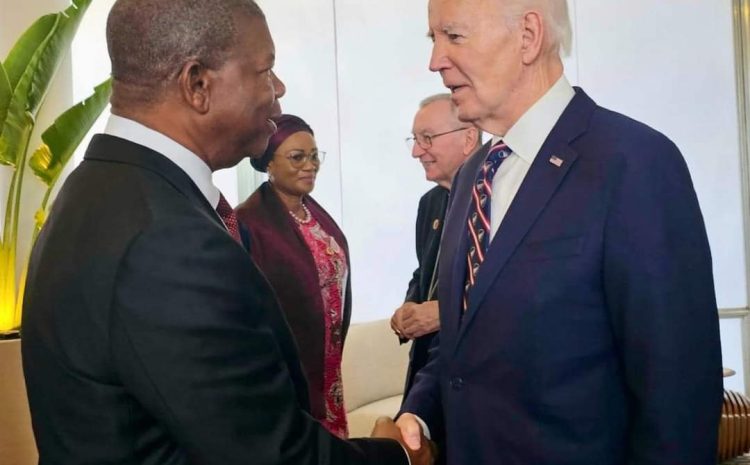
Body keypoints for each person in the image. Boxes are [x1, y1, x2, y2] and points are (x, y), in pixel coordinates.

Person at [20, 1, 433, 464]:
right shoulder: (170, 242)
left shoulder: (95, 188)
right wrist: (397, 457)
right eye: (265, 70)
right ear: (198, 84)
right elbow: (271, 455)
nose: (279, 88)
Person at [395, 0, 723, 464]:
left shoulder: (634, 164)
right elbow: (465, 335)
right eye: (434, 39)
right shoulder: (473, 176)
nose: (435, 61)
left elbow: (677, 391)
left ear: (528, 35)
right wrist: (421, 412)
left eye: (454, 36)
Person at [236, 114, 350, 438]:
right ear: (269, 164)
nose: (309, 165)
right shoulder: (248, 221)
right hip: (285, 370)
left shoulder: (317, 216)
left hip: (328, 365)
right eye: (297, 157)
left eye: (314, 156)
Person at [390, 94, 480, 398]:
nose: (417, 151)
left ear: (469, 138)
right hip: (427, 368)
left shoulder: (496, 200)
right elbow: (424, 271)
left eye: (427, 139)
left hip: (475, 375)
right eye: (415, 140)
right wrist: (409, 307)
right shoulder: (430, 203)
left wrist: (445, 314)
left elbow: (514, 293)